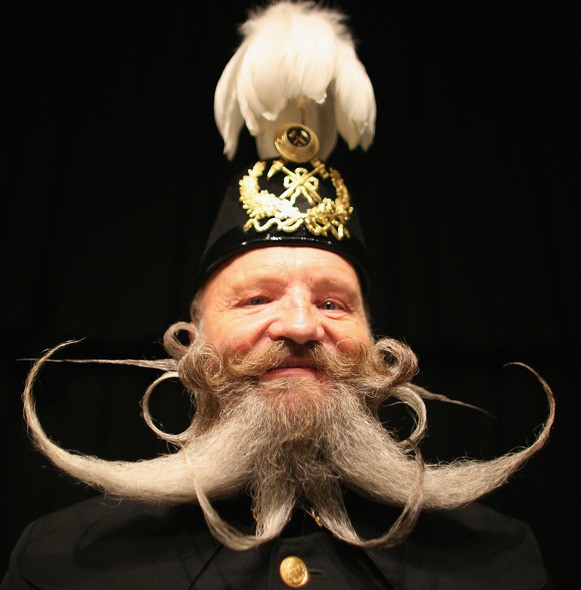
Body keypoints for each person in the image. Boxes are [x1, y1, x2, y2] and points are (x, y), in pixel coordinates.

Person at [2, 2, 554, 588]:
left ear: (378, 347)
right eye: (256, 299)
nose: (300, 325)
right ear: (192, 340)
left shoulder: (497, 563)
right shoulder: (66, 564)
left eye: (333, 303)